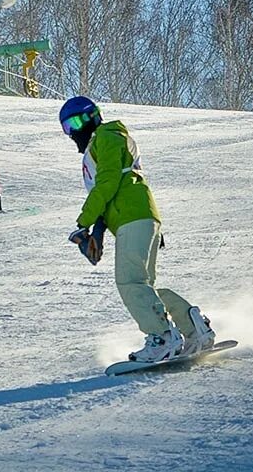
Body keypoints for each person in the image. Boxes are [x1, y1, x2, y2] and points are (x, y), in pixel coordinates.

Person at [61, 96, 217, 363]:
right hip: (137, 217)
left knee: (130, 283)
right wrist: (97, 231)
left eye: (75, 122)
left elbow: (108, 183)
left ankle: (162, 337)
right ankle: (193, 327)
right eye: (66, 127)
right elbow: (113, 186)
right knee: (144, 288)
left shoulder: (107, 136)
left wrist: (83, 222)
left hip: (133, 218)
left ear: (92, 117)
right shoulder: (102, 143)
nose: (73, 131)